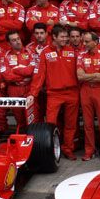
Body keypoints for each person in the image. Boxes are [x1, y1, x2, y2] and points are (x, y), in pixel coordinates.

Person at [27, 25, 79, 159]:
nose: (65, 39)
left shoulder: (72, 51)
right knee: (50, 123)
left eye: (66, 36)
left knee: (71, 124)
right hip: (54, 94)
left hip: (72, 92)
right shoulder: (45, 52)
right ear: (54, 37)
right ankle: (50, 150)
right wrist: (33, 94)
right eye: (62, 37)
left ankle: (68, 149)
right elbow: (40, 75)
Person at [77, 31, 100, 160]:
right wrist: (95, 75)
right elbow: (80, 77)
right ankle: (89, 151)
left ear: (95, 42)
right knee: (87, 124)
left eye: (86, 41)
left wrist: (89, 76)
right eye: (83, 41)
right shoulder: (81, 56)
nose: (84, 44)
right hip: (85, 91)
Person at [1, 30, 37, 128]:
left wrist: (16, 70)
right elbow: (7, 76)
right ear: (9, 43)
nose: (17, 42)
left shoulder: (31, 52)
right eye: (14, 40)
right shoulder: (5, 55)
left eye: (18, 39)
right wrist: (24, 74)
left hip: (29, 88)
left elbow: (32, 71)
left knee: (32, 118)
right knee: (19, 119)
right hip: (14, 90)